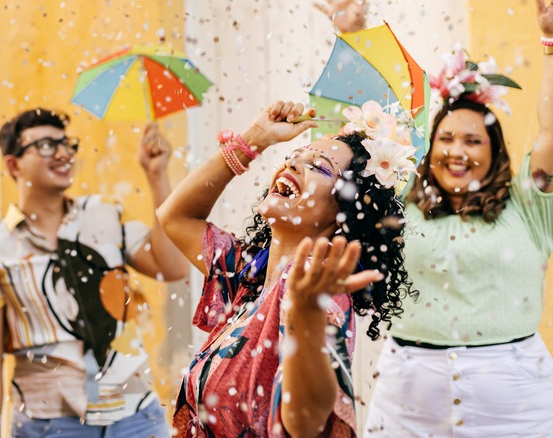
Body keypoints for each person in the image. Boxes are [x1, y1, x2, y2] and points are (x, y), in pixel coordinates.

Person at [158, 99, 415, 437]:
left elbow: (306, 423)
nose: (294, 164)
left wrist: (305, 323)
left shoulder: (316, 289)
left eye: (319, 168)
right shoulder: (250, 276)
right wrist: (254, 139)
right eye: (297, 156)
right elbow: (175, 218)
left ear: (344, 216)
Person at [359, 2, 553, 435]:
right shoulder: (401, 201)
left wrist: (551, 43)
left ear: (494, 151)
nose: (457, 151)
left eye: (472, 140)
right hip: (406, 405)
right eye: (445, 138)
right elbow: (359, 141)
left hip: (516, 405)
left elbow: (549, 134)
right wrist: (355, 30)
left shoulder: (531, 205)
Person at [0, 108, 189, 437]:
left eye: (67, 144)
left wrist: (156, 176)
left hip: (136, 415)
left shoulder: (103, 215)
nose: (64, 153)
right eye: (46, 145)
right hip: (50, 423)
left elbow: (173, 267)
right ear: (13, 164)